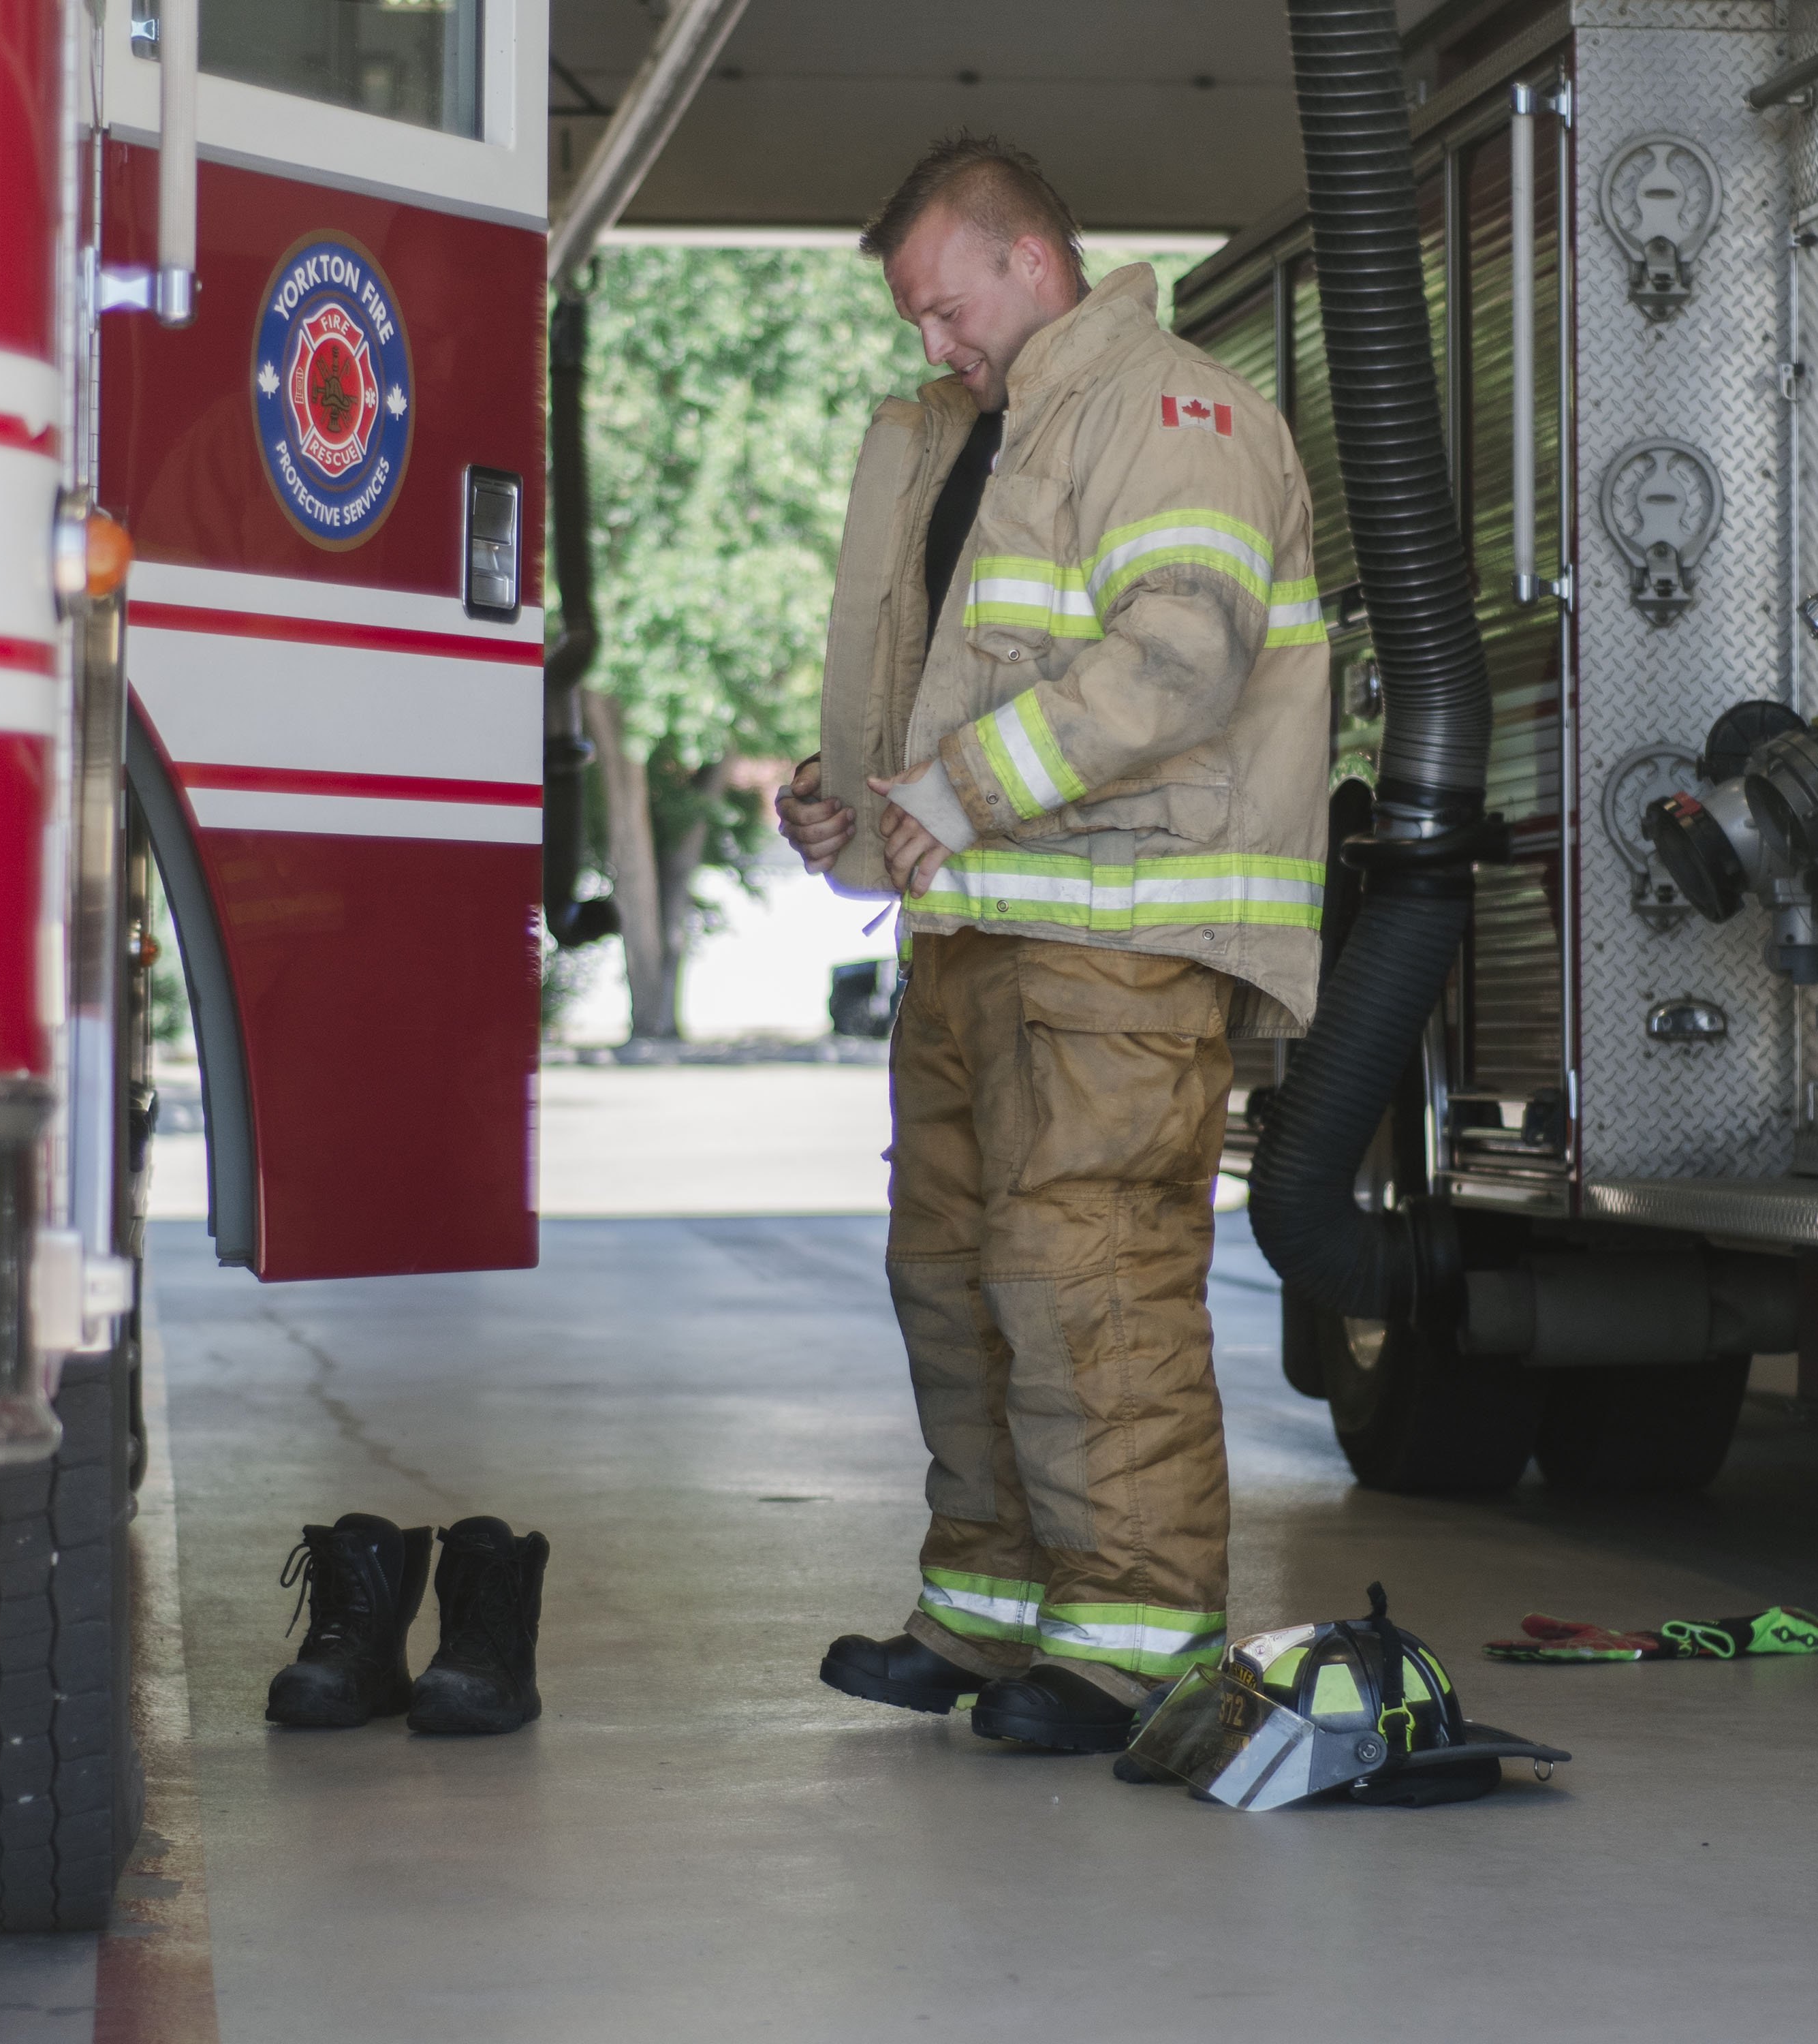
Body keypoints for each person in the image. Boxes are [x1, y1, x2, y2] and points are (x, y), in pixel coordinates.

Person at [776, 134, 1328, 1752]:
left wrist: (958, 787)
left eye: (946, 310)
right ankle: (991, 1614)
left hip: (1126, 943)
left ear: (1031, 260)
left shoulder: (1176, 417)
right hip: (978, 931)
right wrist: (853, 808)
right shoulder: (981, 438)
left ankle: (1135, 1644)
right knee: (953, 1276)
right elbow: (946, 688)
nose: (932, 347)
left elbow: (1181, 657)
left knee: (1090, 1279)